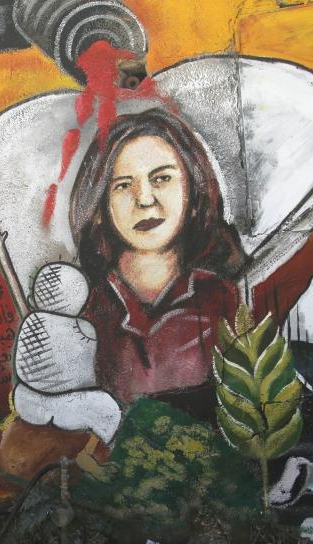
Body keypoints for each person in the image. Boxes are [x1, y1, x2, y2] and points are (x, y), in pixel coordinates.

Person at [71, 108, 244, 410]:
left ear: (195, 193)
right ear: (98, 209)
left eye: (161, 178)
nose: (145, 199)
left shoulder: (221, 301)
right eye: (123, 185)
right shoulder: (83, 311)